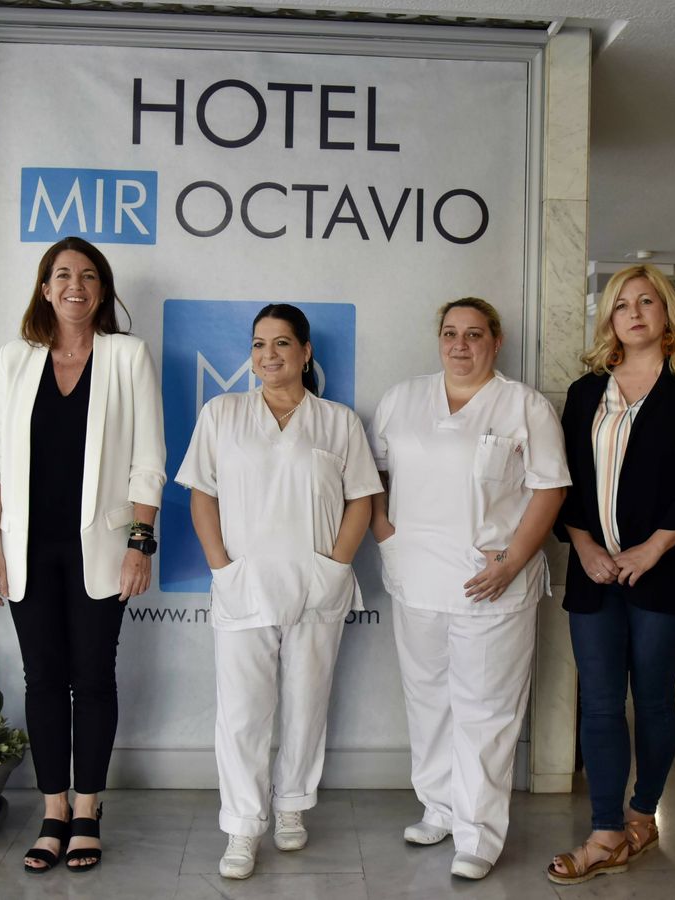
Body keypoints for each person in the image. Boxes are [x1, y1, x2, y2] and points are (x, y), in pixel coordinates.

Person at [0, 236, 165, 874]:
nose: (74, 285)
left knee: (93, 677)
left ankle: (88, 808)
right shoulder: (16, 358)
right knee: (43, 680)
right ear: (45, 287)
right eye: (62, 275)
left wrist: (140, 544)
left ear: (102, 289)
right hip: (28, 550)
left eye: (87, 275)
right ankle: (53, 810)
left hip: (103, 547)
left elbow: (147, 461)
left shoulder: (127, 356)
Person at [177, 304, 382, 880]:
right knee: (242, 712)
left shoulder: (338, 421)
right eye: (259, 344)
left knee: (307, 702)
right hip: (244, 582)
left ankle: (292, 806)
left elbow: (361, 498)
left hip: (316, 584)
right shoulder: (223, 413)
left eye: (283, 344)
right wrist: (222, 566)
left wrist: (336, 567)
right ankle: (243, 827)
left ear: (306, 351)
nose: (269, 355)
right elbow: (202, 495)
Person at [369, 298, 569, 881]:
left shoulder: (522, 405)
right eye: (451, 333)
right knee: (428, 699)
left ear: (495, 340)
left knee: (486, 709)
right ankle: (438, 807)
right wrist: (384, 530)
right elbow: (375, 473)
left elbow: (549, 489)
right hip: (416, 579)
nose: (461, 345)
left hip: (493, 585)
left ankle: (479, 832)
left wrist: (512, 560)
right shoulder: (402, 399)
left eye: (474, 334)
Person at [546, 264, 675, 885]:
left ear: (665, 313)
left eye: (647, 300)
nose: (634, 311)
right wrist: (584, 546)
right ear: (610, 320)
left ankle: (642, 815)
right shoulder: (584, 393)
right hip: (594, 573)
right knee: (598, 702)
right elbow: (562, 482)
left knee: (652, 699)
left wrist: (652, 549)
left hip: (666, 572)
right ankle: (604, 833)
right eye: (622, 303)